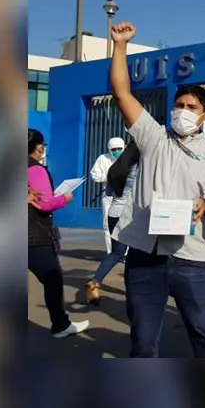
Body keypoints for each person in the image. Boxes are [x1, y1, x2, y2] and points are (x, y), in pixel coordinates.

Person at [107, 21, 205, 358]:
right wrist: (120, 45)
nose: (183, 112)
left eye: (192, 108)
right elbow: (121, 93)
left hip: (191, 257)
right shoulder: (153, 136)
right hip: (144, 255)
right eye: (179, 105)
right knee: (143, 341)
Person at [27, 128, 90, 339]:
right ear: (39, 147)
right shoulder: (36, 169)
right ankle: (61, 325)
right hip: (34, 235)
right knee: (52, 279)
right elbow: (44, 204)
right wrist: (65, 198)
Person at [86, 141, 140, 304]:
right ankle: (132, 290)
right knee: (135, 253)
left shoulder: (115, 168)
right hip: (130, 215)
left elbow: (109, 192)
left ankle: (95, 282)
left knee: (117, 252)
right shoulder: (139, 169)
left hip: (114, 213)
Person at [90, 137, 126, 255]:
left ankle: (125, 253)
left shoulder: (128, 159)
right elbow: (94, 175)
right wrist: (109, 177)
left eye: (119, 149)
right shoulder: (103, 159)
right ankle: (112, 252)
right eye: (114, 149)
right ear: (109, 149)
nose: (117, 151)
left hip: (125, 196)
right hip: (108, 195)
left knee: (126, 223)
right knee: (107, 224)